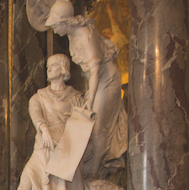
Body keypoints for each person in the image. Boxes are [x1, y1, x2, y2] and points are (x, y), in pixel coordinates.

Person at [0, 54, 93, 190]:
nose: (48, 69)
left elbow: (84, 123)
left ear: (63, 69)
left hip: (64, 148)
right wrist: (44, 129)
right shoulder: (39, 96)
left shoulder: (75, 97)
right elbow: (35, 114)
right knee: (25, 183)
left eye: (52, 66)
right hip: (43, 148)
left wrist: (79, 112)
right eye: (48, 66)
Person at [44, 0, 127, 177]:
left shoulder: (84, 35)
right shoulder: (71, 35)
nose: (55, 30)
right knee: (90, 125)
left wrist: (89, 98)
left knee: (97, 126)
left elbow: (96, 70)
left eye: (56, 25)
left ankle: (95, 172)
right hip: (93, 80)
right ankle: (90, 167)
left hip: (106, 80)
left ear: (64, 22)